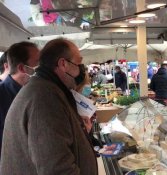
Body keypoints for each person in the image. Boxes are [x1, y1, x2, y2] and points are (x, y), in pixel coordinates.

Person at [0, 38, 98, 175]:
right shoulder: (45, 98)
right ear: (63, 64)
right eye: (79, 62)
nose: (82, 69)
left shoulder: (46, 89)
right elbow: (57, 169)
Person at [0, 42, 39, 158]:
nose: (43, 67)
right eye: (38, 63)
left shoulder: (34, 91)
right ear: (23, 68)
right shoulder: (2, 96)